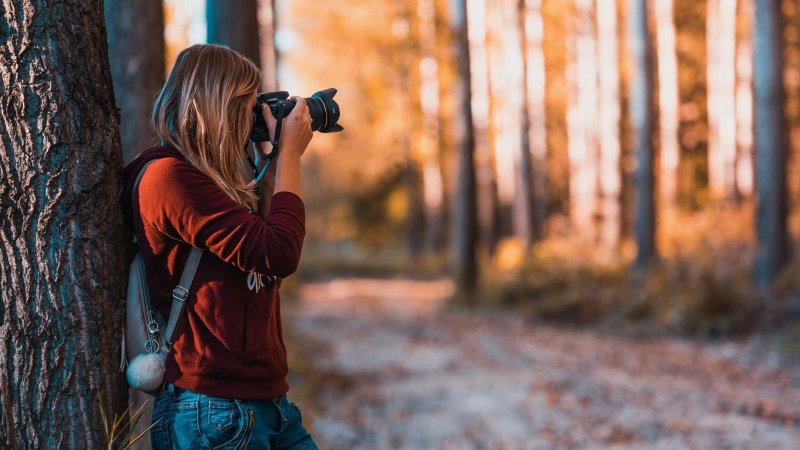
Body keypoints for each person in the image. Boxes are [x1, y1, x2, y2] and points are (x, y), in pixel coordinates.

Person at [121, 44, 317, 449]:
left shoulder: (213, 183)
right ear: (220, 107)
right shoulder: (168, 178)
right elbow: (278, 252)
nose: (252, 120)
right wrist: (289, 158)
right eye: (247, 107)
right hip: (211, 411)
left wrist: (270, 156)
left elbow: (263, 239)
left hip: (265, 404)